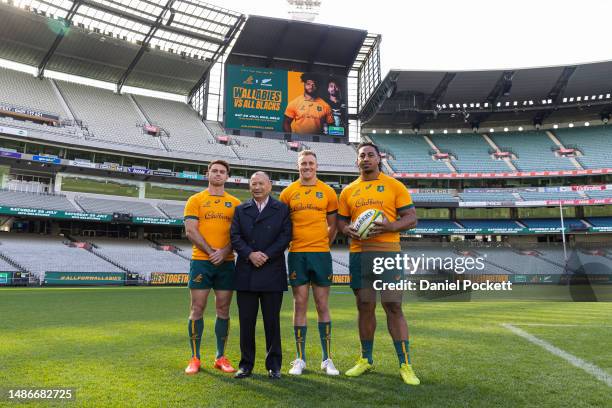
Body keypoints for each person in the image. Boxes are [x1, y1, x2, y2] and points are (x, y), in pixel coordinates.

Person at [336, 142, 421, 385]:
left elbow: (412, 218)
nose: (365, 159)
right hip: (359, 254)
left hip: (388, 254)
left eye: (370, 155)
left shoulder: (394, 185)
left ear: (378, 159)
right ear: (357, 161)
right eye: (361, 156)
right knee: (364, 306)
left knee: (393, 306)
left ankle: (405, 364)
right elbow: (342, 222)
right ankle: (366, 359)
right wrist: (347, 229)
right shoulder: (348, 191)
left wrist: (391, 226)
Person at [279, 150, 340, 376]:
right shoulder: (287, 193)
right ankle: (300, 358)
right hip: (297, 254)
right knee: (300, 304)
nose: (307, 167)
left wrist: (323, 244)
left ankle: (326, 359)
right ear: (298, 166)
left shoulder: (328, 192)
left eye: (311, 163)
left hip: (321, 254)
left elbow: (333, 225)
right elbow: (283, 226)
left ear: (316, 165)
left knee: (322, 305)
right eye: (303, 163)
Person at [230, 171, 292, 380]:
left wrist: (265, 255)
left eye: (261, 183)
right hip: (246, 272)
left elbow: (286, 236)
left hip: (272, 271)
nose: (257, 187)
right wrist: (250, 254)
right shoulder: (240, 209)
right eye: (253, 184)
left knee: (271, 322)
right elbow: (235, 237)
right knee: (246, 323)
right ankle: (246, 365)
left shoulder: (282, 209)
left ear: (270, 185)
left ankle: (274, 366)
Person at [183, 160, 242, 375]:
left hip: (226, 263)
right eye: (214, 171)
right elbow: (190, 230)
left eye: (222, 172)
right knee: (197, 309)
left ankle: (220, 356)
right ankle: (195, 357)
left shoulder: (235, 203)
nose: (218, 174)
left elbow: (239, 235)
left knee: (223, 310)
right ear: (207, 174)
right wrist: (211, 252)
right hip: (201, 261)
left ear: (227, 176)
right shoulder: (195, 200)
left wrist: (223, 252)